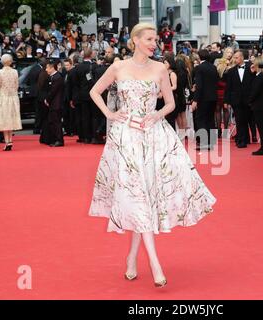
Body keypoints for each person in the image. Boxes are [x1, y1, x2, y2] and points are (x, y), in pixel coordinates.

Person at [88, 22, 216, 288]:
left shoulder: (160, 68)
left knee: (144, 196)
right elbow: (94, 91)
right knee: (137, 195)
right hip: (125, 138)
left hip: (154, 137)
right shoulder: (118, 67)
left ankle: (132, 258)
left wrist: (155, 115)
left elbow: (170, 104)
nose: (154, 43)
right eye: (149, 39)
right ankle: (155, 265)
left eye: (156, 40)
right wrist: (111, 114)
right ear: (135, 40)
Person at [0, 54, 22, 151]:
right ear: (11, 62)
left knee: (4, 120)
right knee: (10, 119)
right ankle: (10, 141)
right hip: (13, 98)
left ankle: (7, 141)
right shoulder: (15, 72)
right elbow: (17, 86)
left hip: (3, 98)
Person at [191, 49, 219, 150]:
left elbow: (200, 86)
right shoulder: (213, 67)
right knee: (210, 119)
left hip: (203, 98)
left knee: (201, 119)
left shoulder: (199, 68)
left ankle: (203, 143)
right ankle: (211, 143)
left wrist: (195, 100)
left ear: (199, 57)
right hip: (213, 97)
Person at [249, 56, 263, 156]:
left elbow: (254, 91)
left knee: (261, 127)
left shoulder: (260, 77)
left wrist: (249, 101)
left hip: (259, 105)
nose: (252, 65)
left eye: (254, 63)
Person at [40, 61, 65, 147]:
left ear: (52, 68)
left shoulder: (57, 77)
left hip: (56, 104)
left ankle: (59, 140)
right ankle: (55, 139)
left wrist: (47, 100)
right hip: (53, 104)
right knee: (53, 122)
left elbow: (53, 91)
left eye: (47, 68)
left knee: (56, 122)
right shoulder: (53, 77)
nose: (46, 70)